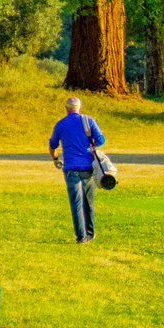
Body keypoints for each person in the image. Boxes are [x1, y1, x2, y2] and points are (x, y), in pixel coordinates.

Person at [49, 96, 106, 243]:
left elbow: (52, 145)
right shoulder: (88, 121)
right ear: (80, 108)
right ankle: (90, 233)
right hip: (87, 167)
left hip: (70, 168)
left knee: (76, 203)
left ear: (66, 109)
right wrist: (91, 144)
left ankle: (81, 237)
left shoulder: (60, 124)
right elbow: (101, 140)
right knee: (88, 201)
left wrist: (56, 159)